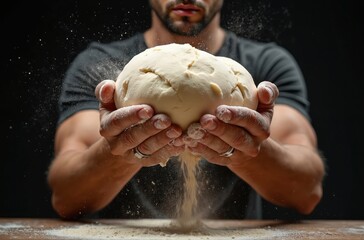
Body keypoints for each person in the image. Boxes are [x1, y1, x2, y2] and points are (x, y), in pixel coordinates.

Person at [47, 0, 325, 220]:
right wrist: (121, 149)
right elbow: (65, 197)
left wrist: (246, 149)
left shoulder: (266, 67)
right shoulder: (99, 68)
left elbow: (307, 191)